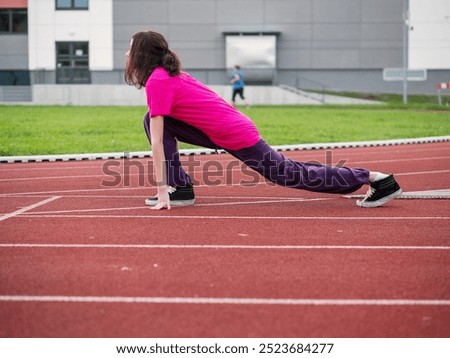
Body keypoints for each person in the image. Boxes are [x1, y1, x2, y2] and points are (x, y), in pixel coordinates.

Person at [124, 30, 402, 210]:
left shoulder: (158, 81)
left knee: (288, 174)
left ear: (141, 55)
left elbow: (158, 143)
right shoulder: (164, 75)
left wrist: (161, 190)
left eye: (130, 49)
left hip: (234, 132)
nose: (126, 54)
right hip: (217, 130)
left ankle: (377, 179)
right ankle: (182, 188)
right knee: (152, 119)